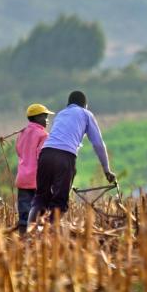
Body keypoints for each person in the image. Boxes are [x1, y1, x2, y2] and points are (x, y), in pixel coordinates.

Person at [28, 90, 116, 224]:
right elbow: (98, 144)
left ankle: (29, 232)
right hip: (65, 156)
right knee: (60, 201)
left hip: (45, 154)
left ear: (68, 104)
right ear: (85, 105)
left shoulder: (61, 114)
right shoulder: (86, 114)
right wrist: (106, 169)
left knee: (41, 197)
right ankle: (52, 234)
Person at [14, 103, 54, 233]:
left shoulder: (22, 133)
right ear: (37, 118)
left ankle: (23, 237)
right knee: (40, 214)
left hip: (22, 179)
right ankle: (36, 242)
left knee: (24, 213)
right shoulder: (43, 135)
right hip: (37, 180)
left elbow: (19, 151)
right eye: (45, 117)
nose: (47, 121)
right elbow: (42, 158)